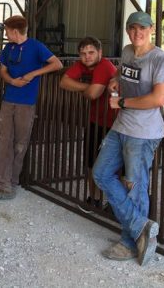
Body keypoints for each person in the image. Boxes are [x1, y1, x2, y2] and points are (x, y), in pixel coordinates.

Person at [92, 11, 164, 266]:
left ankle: (129, 242)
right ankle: (141, 227)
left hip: (144, 132)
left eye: (143, 28)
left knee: (135, 185)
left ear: (151, 30)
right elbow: (122, 74)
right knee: (101, 173)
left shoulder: (160, 59)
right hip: (121, 126)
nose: (138, 33)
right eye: (133, 28)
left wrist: (124, 101)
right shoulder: (127, 51)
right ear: (127, 30)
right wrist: (115, 81)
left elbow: (159, 98)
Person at [0, 15, 62, 200]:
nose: (6, 34)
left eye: (7, 31)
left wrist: (33, 73)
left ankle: (12, 181)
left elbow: (57, 64)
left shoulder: (36, 46)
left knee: (20, 143)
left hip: (26, 102)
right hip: (9, 99)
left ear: (15, 31)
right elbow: (2, 70)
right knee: (5, 140)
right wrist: (11, 81)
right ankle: (2, 184)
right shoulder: (8, 48)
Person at [59, 36, 117, 212]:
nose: (87, 56)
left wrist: (90, 89)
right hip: (95, 120)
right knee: (91, 162)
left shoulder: (104, 66)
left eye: (91, 52)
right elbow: (63, 82)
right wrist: (88, 86)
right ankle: (95, 200)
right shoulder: (82, 66)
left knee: (117, 166)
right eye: (83, 53)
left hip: (114, 123)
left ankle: (117, 206)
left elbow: (93, 95)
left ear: (100, 52)